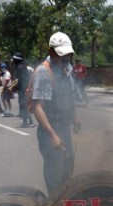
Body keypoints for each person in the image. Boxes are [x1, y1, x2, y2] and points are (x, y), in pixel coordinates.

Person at [30, 32, 80, 194]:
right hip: (50, 131)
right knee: (54, 172)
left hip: (64, 128)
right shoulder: (44, 72)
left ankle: (65, 201)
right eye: (61, 56)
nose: (65, 60)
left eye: (68, 56)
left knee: (68, 167)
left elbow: (69, 95)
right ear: (51, 52)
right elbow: (38, 106)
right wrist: (53, 135)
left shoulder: (67, 69)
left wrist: (75, 117)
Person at [12, 52, 35, 128]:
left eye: (14, 59)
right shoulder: (22, 66)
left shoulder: (20, 67)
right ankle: (27, 121)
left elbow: (20, 80)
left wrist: (14, 87)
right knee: (23, 105)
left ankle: (28, 121)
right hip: (23, 89)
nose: (13, 61)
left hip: (23, 89)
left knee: (23, 105)